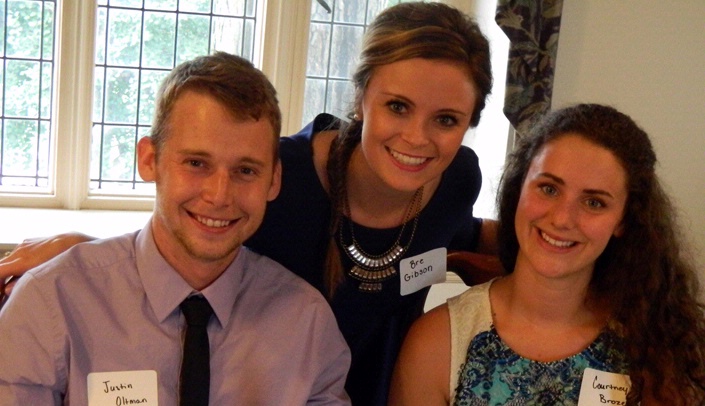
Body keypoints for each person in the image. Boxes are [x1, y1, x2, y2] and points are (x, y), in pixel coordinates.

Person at [0, 2, 496, 404]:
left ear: (469, 121)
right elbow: (193, 230)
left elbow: (469, 234)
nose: (417, 138)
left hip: (372, 386)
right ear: (363, 95)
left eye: (447, 119)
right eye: (398, 106)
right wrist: (82, 259)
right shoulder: (281, 180)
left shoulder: (455, 181)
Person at [0, 52, 351, 405]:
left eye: (246, 171)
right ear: (149, 160)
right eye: (197, 163)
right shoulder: (51, 306)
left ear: (274, 180)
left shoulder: (307, 325)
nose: (219, 195)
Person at [388, 103, 705, 405]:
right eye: (549, 189)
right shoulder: (438, 343)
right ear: (520, 188)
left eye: (594, 202)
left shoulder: (657, 344)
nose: (562, 219)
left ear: (624, 219)